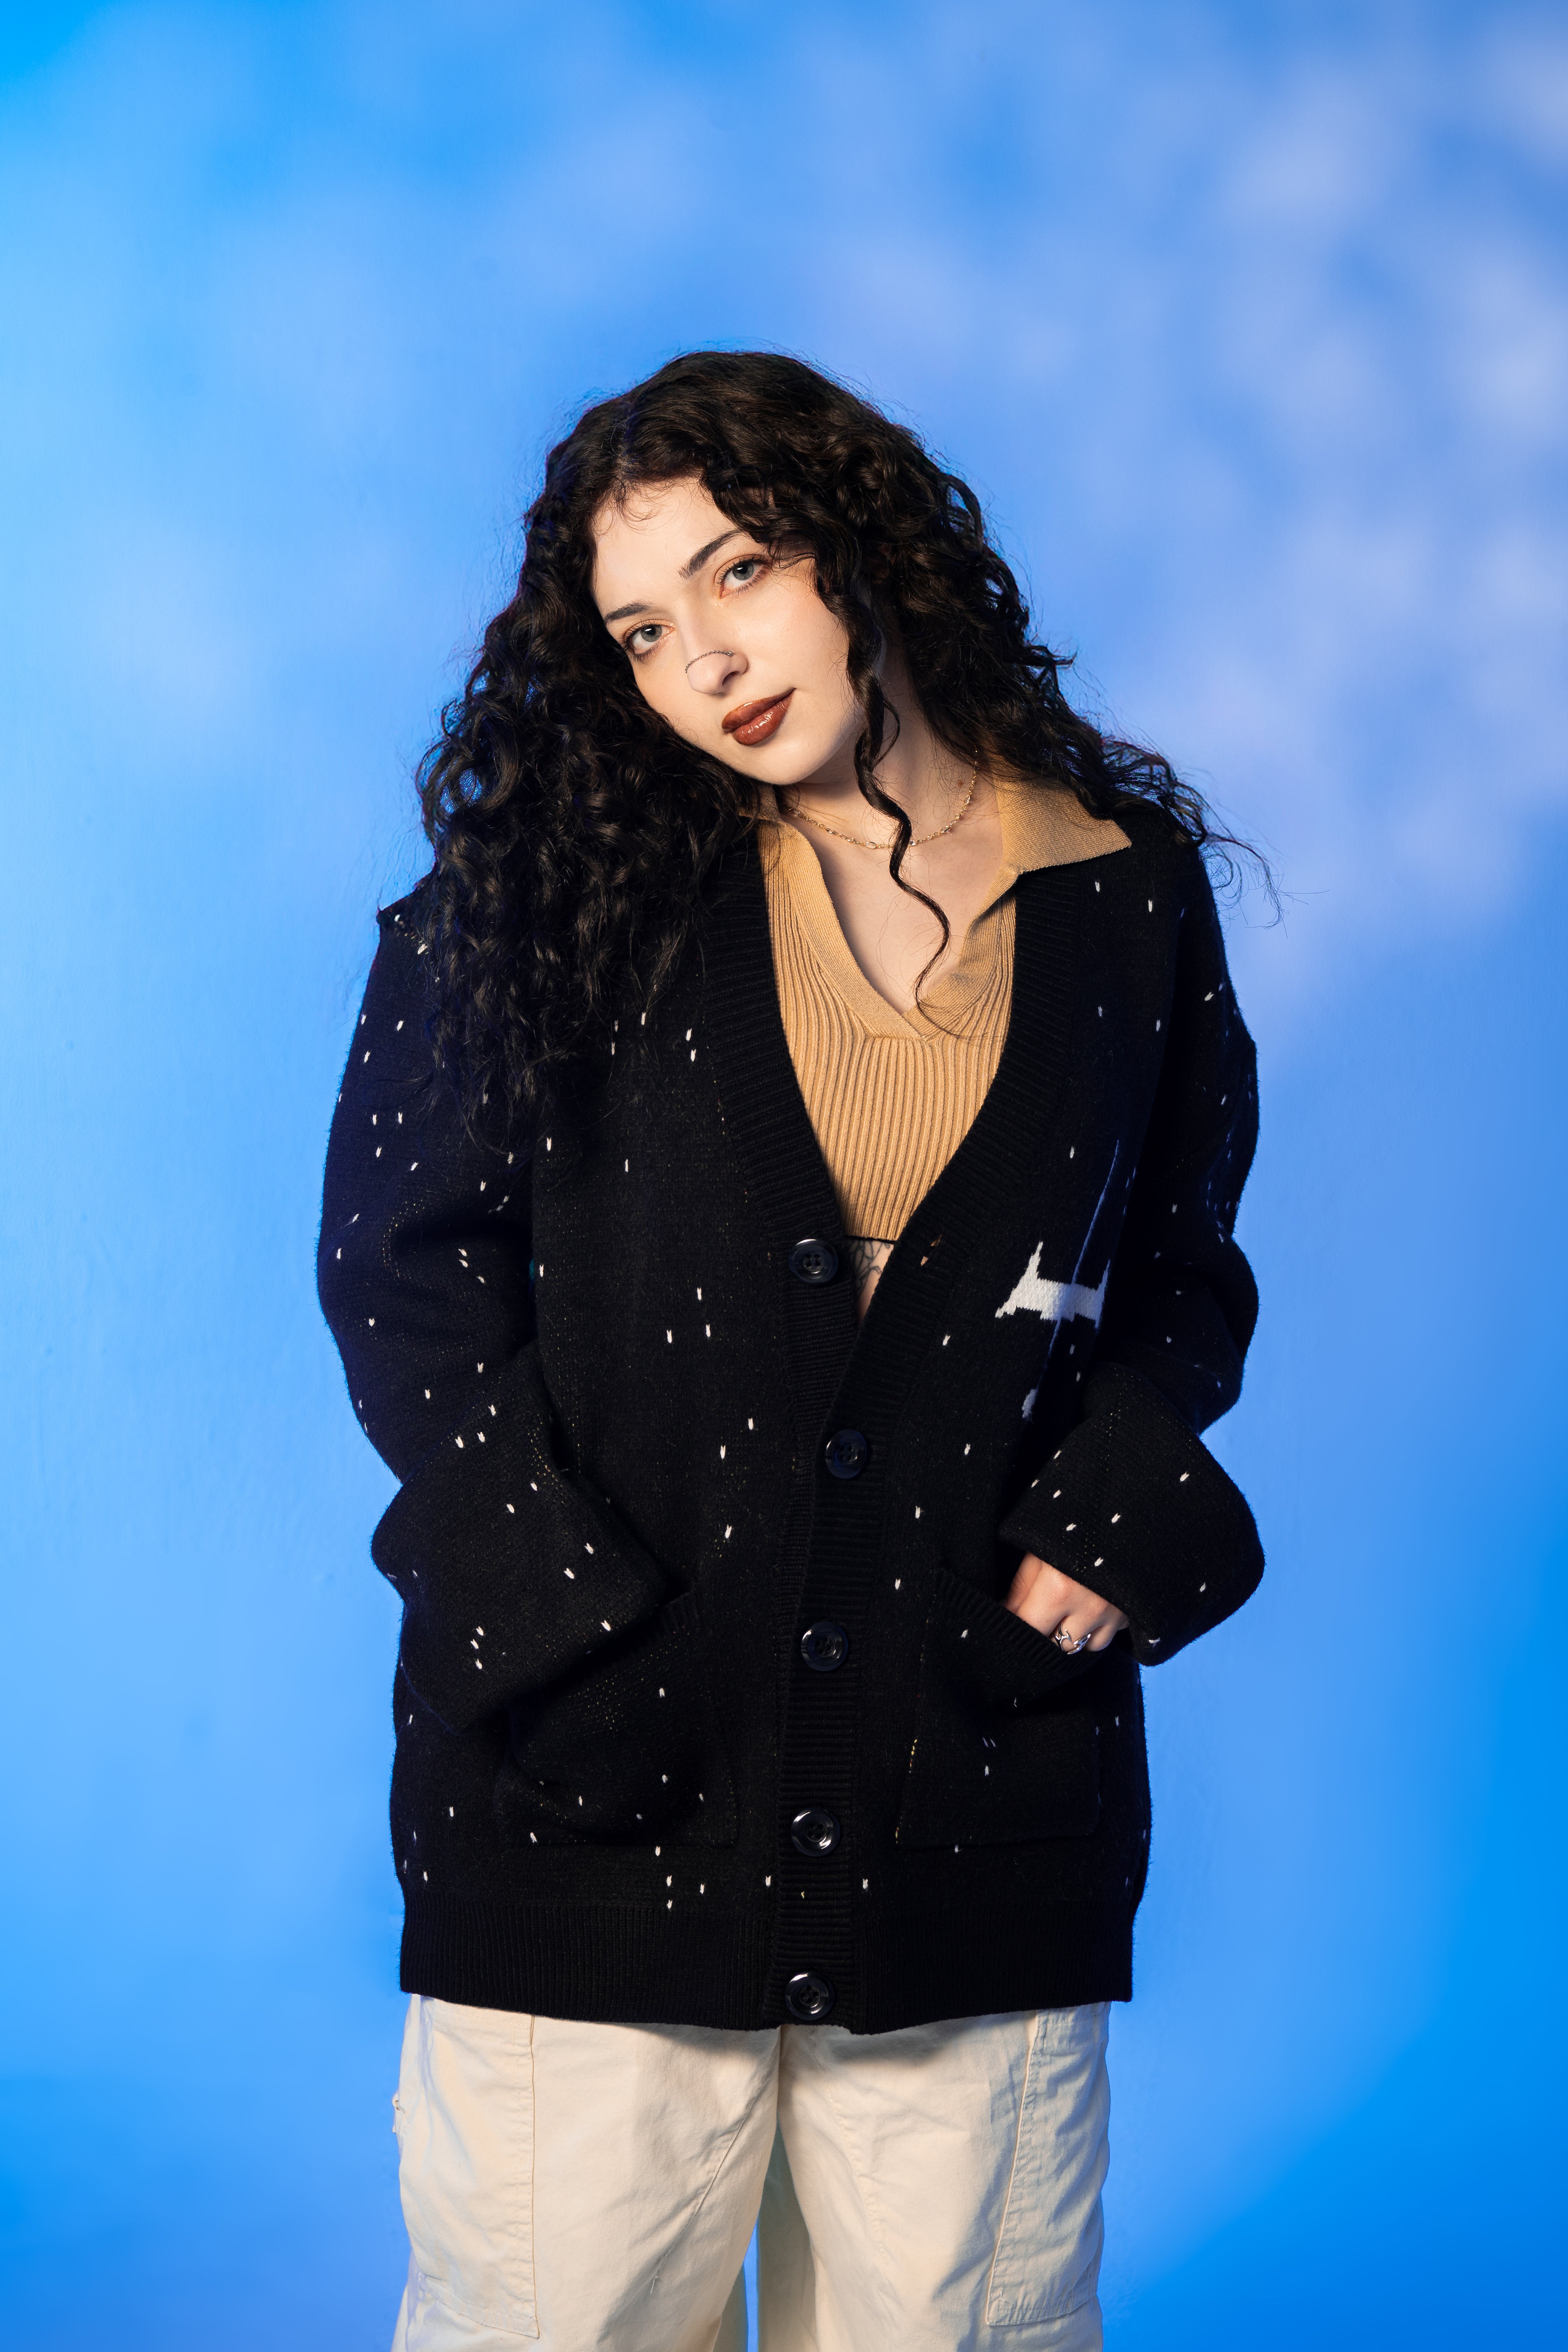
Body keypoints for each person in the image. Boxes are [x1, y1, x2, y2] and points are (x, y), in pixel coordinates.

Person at [318, 350, 1264, 2352]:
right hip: (593, 1801)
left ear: (865, 537)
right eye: (643, 631)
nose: (707, 662)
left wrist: (1107, 1516)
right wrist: (572, 1640)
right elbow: (402, 1279)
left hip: (969, 1792)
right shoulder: (557, 884)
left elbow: (1181, 1271)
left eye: (738, 570)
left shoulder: (1128, 902)